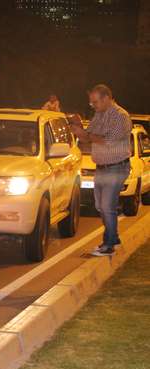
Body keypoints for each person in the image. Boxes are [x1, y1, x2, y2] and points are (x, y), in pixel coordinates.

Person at [69, 84, 132, 256]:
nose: (93, 106)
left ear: (106, 98)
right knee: (100, 206)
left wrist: (87, 135)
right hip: (102, 167)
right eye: (91, 103)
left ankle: (108, 245)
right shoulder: (99, 114)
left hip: (116, 166)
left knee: (106, 206)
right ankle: (114, 237)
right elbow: (89, 136)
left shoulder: (120, 116)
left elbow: (108, 140)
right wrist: (78, 128)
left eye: (95, 102)